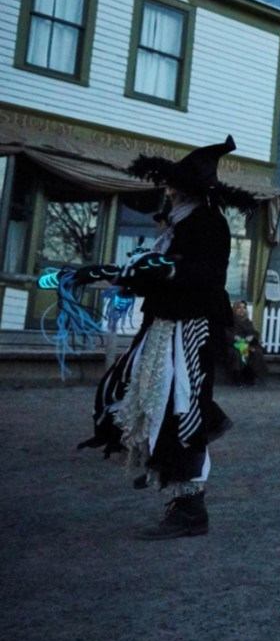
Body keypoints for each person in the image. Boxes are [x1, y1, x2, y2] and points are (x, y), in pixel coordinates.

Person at [76, 135, 249, 539]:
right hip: (163, 324)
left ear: (188, 189)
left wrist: (164, 270)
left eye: (174, 185)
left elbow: (205, 276)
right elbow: (155, 273)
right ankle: (188, 473)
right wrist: (113, 275)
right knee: (142, 396)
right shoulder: (178, 224)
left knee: (181, 409)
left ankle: (190, 508)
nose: (168, 191)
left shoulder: (207, 223)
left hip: (189, 329)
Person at [225, 300, 267, 386]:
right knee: (239, 353)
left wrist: (251, 337)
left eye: (244, 308)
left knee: (255, 352)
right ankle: (237, 379)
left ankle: (250, 378)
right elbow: (226, 333)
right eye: (239, 307)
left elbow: (254, 333)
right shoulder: (230, 321)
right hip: (233, 345)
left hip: (246, 345)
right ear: (235, 309)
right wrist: (235, 337)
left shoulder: (247, 321)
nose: (242, 310)